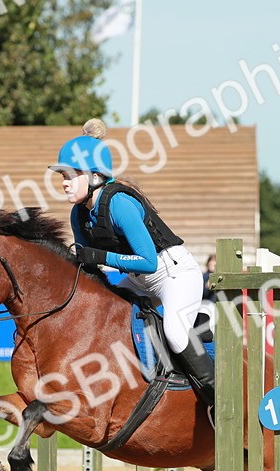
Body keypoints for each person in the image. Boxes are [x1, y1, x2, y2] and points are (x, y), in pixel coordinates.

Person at [49, 118, 214, 415]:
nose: (64, 181)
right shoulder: (79, 215)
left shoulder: (119, 204)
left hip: (173, 273)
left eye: (71, 174)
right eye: (63, 174)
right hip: (138, 279)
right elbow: (89, 269)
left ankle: (218, 397)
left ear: (95, 175)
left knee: (176, 333)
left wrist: (101, 258)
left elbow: (148, 262)